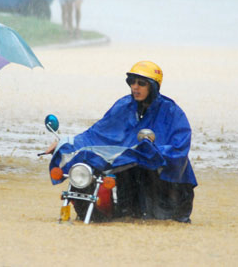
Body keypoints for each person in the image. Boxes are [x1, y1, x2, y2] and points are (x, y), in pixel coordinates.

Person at [46, 61, 197, 223]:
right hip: (128, 175)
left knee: (159, 222)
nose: (135, 87)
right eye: (132, 82)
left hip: (165, 183)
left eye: (141, 83)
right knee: (124, 216)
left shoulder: (172, 112)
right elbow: (96, 134)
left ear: (153, 86)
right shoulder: (123, 106)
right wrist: (65, 143)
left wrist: (151, 152)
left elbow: (179, 148)